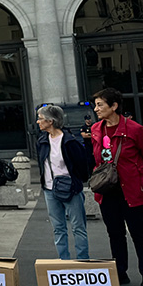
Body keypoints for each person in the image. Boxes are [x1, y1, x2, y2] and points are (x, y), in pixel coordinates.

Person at [91, 88, 143, 286]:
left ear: (114, 106)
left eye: (100, 104)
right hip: (107, 188)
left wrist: (134, 172)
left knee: (138, 231)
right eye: (96, 105)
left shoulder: (134, 129)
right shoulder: (96, 129)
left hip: (131, 189)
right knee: (115, 232)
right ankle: (120, 273)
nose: (96, 109)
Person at [36, 105, 90, 261]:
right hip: (49, 190)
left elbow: (81, 166)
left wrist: (76, 183)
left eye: (40, 118)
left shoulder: (70, 141)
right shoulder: (42, 140)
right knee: (58, 228)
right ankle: (63, 262)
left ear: (50, 121)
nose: (38, 122)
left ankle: (83, 261)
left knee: (78, 227)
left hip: (71, 189)